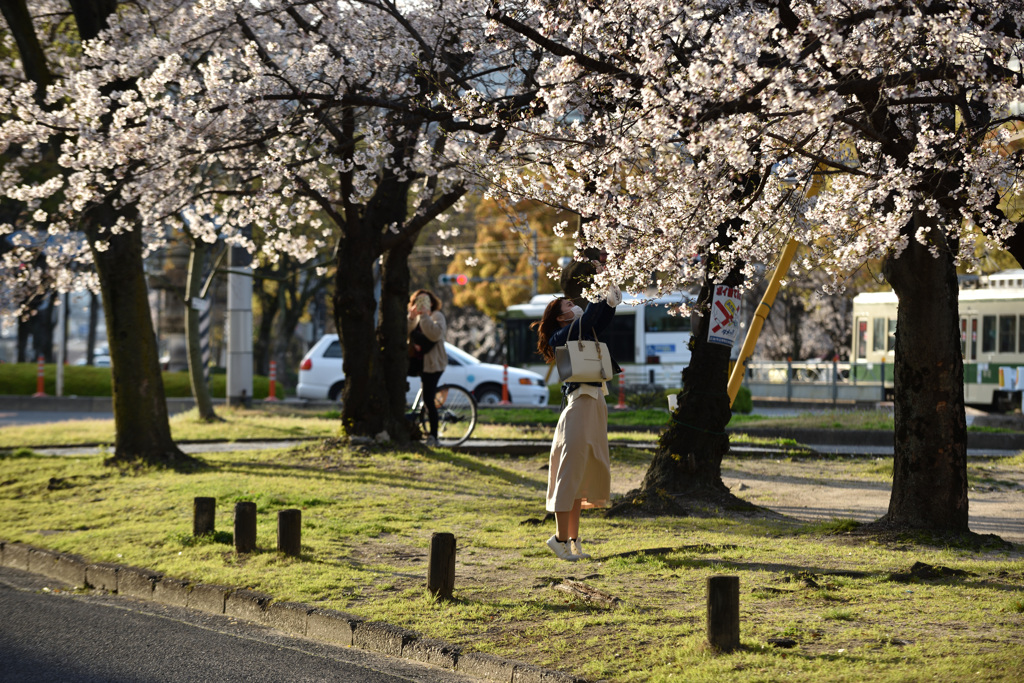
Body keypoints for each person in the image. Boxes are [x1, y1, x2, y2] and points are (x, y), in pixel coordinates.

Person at [531, 282, 621, 561]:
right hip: (579, 405)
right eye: (568, 305)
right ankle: (558, 539)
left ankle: (572, 538)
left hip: (595, 403)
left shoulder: (578, 328)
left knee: (583, 474)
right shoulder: (561, 335)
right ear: (560, 317)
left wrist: (609, 296)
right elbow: (591, 319)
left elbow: (601, 318)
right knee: (570, 474)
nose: (575, 305)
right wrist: (597, 298)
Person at [407, 289, 448, 447]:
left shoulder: (437, 316)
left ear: (431, 303)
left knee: (429, 400)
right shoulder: (414, 318)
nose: (422, 304)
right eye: (419, 301)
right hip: (417, 362)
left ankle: (434, 436)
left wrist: (424, 316)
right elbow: (404, 333)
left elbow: (434, 334)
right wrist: (411, 318)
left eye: (426, 301)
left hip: (433, 364)